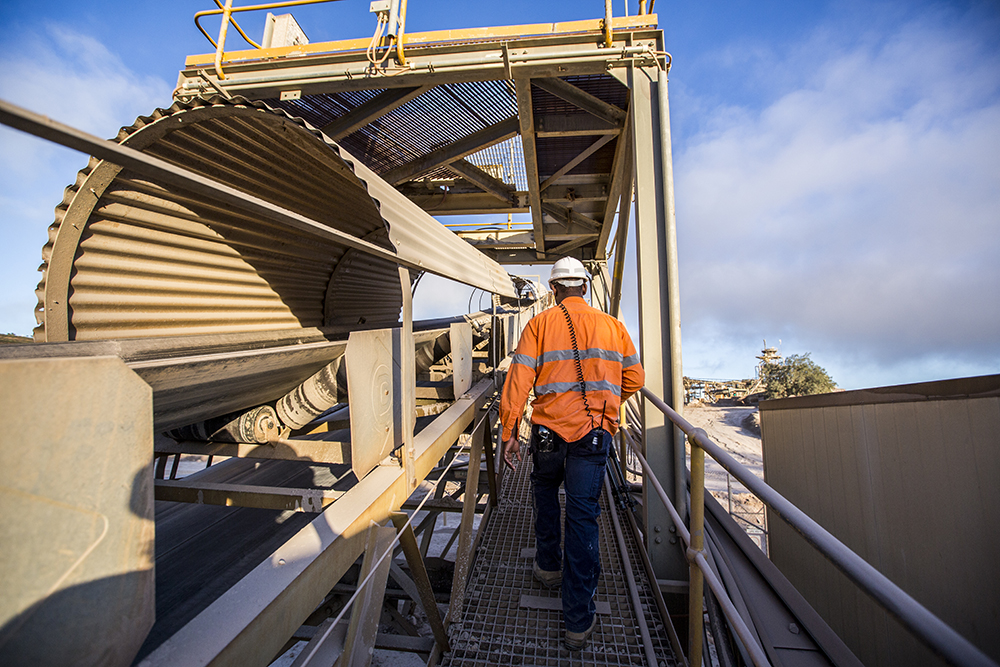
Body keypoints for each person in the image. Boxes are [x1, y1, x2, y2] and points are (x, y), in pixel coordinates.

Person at [499, 257, 645, 651]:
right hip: (594, 434)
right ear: (584, 285)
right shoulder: (613, 327)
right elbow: (635, 378)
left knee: (545, 492)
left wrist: (510, 430)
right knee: (583, 516)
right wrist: (605, 403)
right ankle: (577, 622)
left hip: (548, 430)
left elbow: (518, 380)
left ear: (553, 289)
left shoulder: (539, 324)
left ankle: (548, 567)